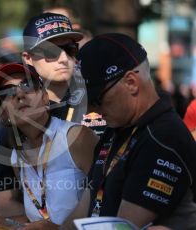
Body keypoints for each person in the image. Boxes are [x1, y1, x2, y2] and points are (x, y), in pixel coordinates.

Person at [60, 33, 196, 229]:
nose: (91, 110)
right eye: (86, 102)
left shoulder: (164, 138)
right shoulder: (117, 127)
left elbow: (123, 226)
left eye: (96, 99)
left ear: (131, 83)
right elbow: (86, 207)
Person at [0, 12, 106, 218]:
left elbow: (107, 188)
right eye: (50, 51)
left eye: (70, 49)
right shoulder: (14, 120)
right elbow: (3, 201)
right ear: (27, 58)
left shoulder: (102, 99)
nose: (63, 58)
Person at [0, 63, 98, 227]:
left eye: (27, 85)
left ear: (44, 97)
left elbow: (107, 199)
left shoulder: (76, 138)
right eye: (8, 92)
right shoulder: (16, 157)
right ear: (3, 112)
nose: (19, 94)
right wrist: (5, 224)